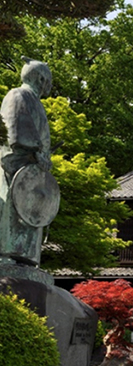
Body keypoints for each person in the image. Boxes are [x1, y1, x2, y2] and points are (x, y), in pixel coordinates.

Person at [0, 57, 58, 266]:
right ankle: (7, 256)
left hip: (33, 170)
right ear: (41, 78)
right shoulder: (18, 95)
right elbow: (16, 130)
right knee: (13, 211)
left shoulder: (35, 102)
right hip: (17, 167)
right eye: (48, 81)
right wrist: (36, 152)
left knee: (33, 209)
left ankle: (26, 259)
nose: (49, 86)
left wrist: (43, 157)